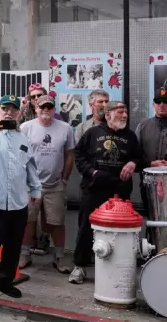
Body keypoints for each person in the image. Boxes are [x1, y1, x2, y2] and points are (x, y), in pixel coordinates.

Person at [0, 95, 41, 298]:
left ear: (18, 113)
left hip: (18, 201)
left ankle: (5, 281)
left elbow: (29, 165)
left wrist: (36, 189)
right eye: (5, 108)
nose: (9, 112)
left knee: (13, 246)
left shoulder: (22, 137)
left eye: (13, 109)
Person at [70, 101, 139, 285]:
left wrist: (133, 163)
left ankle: (116, 266)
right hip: (94, 189)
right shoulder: (92, 133)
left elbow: (138, 157)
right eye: (120, 112)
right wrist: (92, 172)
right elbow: (79, 155)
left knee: (119, 230)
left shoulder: (131, 136)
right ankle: (80, 266)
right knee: (86, 227)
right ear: (108, 114)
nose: (124, 115)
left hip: (120, 191)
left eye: (125, 112)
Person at [19, 95, 75, 273]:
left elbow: (70, 155)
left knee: (56, 222)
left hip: (55, 184)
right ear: (36, 108)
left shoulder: (65, 128)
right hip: (31, 185)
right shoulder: (26, 127)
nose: (46, 110)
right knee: (28, 220)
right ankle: (24, 253)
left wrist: (65, 178)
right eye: (42, 107)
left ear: (54, 109)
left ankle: (59, 257)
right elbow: (20, 153)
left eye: (49, 107)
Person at [135, 87, 167, 218]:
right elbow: (134, 156)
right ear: (153, 104)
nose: (162, 105)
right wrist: (151, 163)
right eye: (158, 101)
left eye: (165, 101)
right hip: (149, 185)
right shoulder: (143, 126)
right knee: (151, 219)